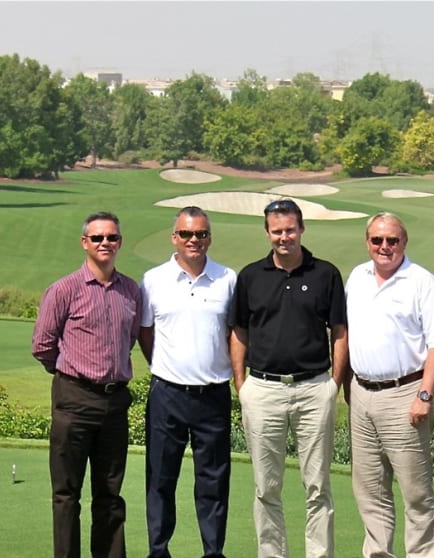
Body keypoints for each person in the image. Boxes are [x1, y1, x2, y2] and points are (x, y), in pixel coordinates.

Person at [228, 198, 348, 558]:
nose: (284, 237)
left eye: (290, 229)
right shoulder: (250, 276)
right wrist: (241, 384)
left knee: (318, 486)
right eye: (277, 231)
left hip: (314, 389)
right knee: (267, 487)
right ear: (267, 233)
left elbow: (339, 331)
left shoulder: (325, 273)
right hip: (263, 389)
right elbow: (239, 332)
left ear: (302, 229)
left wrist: (334, 384)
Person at [31, 211, 143, 558]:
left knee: (110, 493)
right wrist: (71, 373)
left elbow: (132, 339)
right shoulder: (64, 290)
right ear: (85, 243)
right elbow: (42, 345)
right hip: (74, 398)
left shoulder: (130, 290)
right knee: (67, 494)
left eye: (111, 237)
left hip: (114, 402)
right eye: (97, 238)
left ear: (120, 242)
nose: (105, 243)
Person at [344, 212, 434, 558]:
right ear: (367, 241)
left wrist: (424, 395)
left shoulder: (421, 281)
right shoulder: (357, 277)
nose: (384, 247)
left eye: (392, 240)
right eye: (377, 240)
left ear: (404, 242)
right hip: (361, 394)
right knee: (370, 489)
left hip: (405, 393)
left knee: (415, 491)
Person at [138, 206, 236, 558]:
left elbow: (233, 334)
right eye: (186, 234)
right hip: (167, 393)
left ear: (209, 236)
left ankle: (213, 551)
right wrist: (167, 367)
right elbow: (146, 333)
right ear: (174, 237)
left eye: (201, 234)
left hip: (213, 395)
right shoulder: (153, 280)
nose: (194, 240)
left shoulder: (228, 279)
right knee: (161, 477)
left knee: (213, 480)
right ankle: (159, 550)